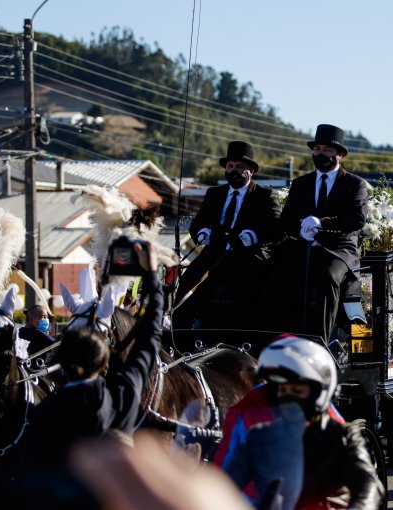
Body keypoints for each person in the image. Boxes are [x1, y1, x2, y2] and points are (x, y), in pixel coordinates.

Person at [22, 242, 162, 469]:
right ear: (105, 364)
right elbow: (149, 337)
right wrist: (152, 275)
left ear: (62, 360)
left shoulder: (43, 413)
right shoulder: (123, 397)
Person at [214, 336, 383, 509]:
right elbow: (224, 485)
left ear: (318, 392)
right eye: (283, 391)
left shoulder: (342, 437)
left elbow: (368, 485)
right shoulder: (258, 437)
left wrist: (360, 507)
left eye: (296, 390)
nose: (288, 398)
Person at [176, 141, 282, 329]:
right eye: (230, 166)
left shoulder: (265, 196)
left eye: (239, 167)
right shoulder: (214, 193)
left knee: (240, 290)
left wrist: (254, 236)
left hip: (247, 255)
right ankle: (179, 336)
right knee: (186, 283)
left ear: (251, 170)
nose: (234, 171)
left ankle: (238, 338)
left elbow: (276, 228)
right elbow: (199, 223)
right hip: (214, 252)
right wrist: (203, 232)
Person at [278, 124, 369, 343]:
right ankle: (281, 340)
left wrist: (321, 223)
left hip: (340, 249)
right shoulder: (301, 184)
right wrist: (301, 228)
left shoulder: (354, 184)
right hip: (305, 246)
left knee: (327, 276)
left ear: (339, 154)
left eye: (327, 150)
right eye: (317, 149)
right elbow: (286, 220)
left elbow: (356, 219)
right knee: (277, 273)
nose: (320, 154)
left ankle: (321, 344)